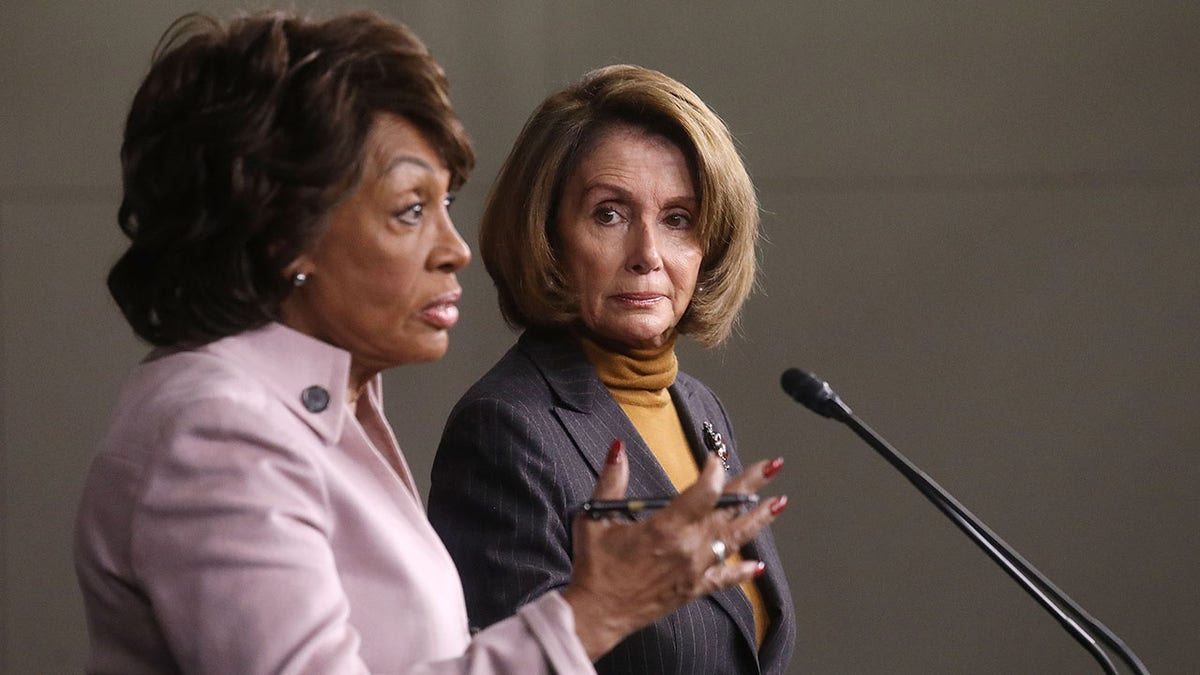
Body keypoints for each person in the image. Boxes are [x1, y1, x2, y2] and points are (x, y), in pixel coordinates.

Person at [72, 13, 787, 674]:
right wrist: (594, 613)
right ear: (286, 233)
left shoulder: (323, 410)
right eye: (412, 208)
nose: (455, 249)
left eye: (445, 204)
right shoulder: (221, 427)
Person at [427, 65, 797, 674]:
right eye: (609, 214)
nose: (648, 255)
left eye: (678, 219)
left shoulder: (698, 407)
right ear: (546, 232)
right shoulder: (506, 428)